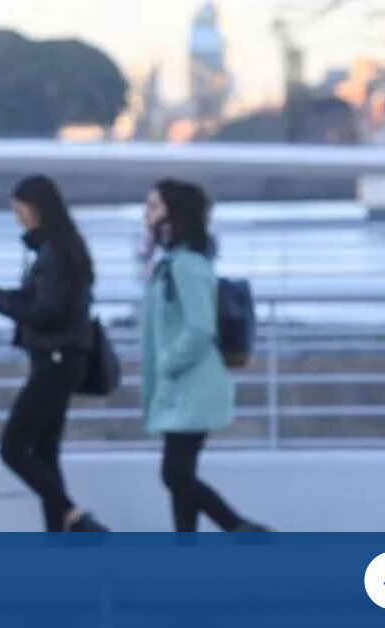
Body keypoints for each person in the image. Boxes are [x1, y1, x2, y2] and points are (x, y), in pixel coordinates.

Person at [0, 175, 108, 533]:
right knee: (46, 454)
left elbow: (44, 310)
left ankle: (77, 519)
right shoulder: (64, 249)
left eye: (19, 210)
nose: (18, 218)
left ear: (35, 209)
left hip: (55, 360)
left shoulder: (54, 254)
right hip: (63, 359)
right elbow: (44, 301)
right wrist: (4, 295)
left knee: (13, 449)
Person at [142, 178, 270, 533]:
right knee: (181, 477)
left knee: (174, 475)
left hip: (191, 386)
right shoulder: (179, 261)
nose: (146, 216)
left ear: (174, 216)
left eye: (153, 208)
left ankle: (241, 529)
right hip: (185, 387)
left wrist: (169, 363)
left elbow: (199, 327)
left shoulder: (185, 264)